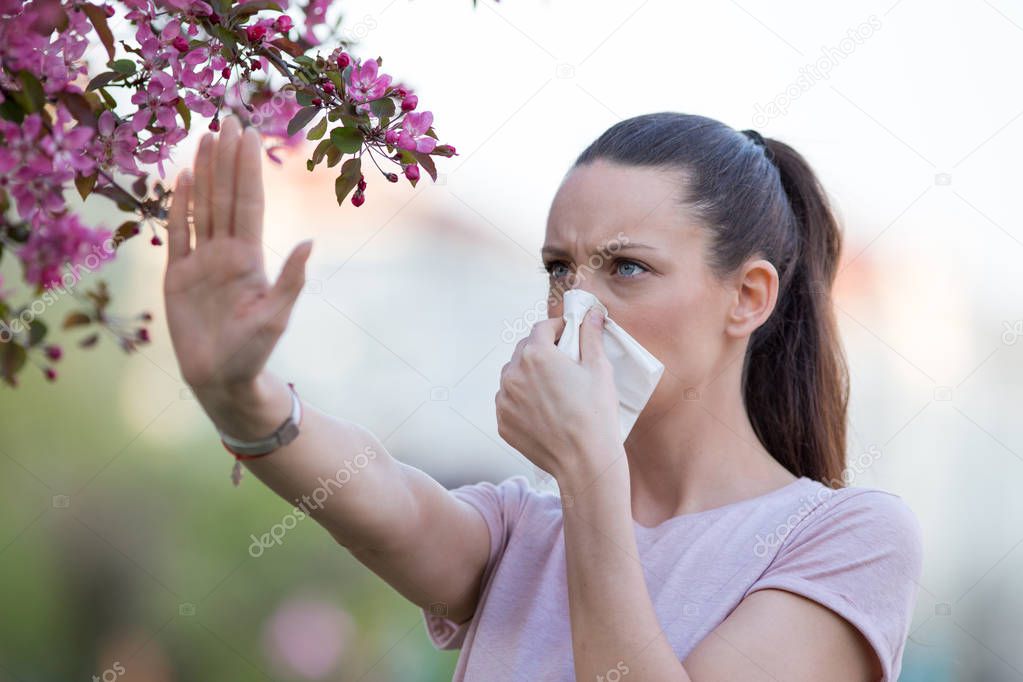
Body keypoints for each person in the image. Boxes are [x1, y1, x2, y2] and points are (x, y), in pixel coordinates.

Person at [163, 112, 923, 681]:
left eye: (625, 267)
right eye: (560, 268)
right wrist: (241, 395)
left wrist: (589, 472)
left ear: (747, 298)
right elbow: (385, 497)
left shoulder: (846, 539)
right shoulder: (527, 526)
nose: (575, 304)